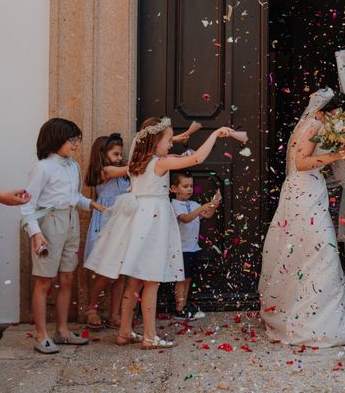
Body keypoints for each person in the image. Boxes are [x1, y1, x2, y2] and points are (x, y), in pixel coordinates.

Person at [84, 117, 237, 349]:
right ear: (155, 142)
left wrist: (172, 137)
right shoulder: (159, 164)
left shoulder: (136, 161)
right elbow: (196, 158)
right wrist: (215, 134)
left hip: (138, 219)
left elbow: (153, 144)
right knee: (151, 280)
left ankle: (124, 332)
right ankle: (149, 335)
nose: (170, 144)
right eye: (167, 140)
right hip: (153, 220)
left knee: (134, 281)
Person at [259, 88, 345, 347]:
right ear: (330, 111)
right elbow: (301, 162)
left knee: (304, 251)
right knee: (319, 251)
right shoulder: (315, 124)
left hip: (306, 190)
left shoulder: (310, 122)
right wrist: (334, 156)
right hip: (304, 191)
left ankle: (309, 313)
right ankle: (315, 322)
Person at [21, 118, 106, 354]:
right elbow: (28, 207)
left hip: (70, 220)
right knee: (43, 280)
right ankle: (41, 335)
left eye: (77, 139)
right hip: (49, 223)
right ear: (56, 138)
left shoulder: (73, 165)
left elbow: (75, 196)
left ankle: (62, 330)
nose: (76, 144)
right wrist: (36, 234)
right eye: (72, 140)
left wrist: (92, 204)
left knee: (67, 278)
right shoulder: (43, 168)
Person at [83, 133, 130, 329]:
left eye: (121, 154)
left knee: (120, 274)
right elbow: (129, 169)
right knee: (106, 273)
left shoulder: (122, 173)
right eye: (116, 154)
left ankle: (115, 314)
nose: (120, 158)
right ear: (102, 154)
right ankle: (92, 308)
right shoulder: (105, 172)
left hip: (123, 223)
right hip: (106, 224)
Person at [170, 171, 220, 320]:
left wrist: (214, 204)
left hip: (192, 248)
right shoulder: (175, 205)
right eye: (185, 186)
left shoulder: (193, 204)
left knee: (188, 279)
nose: (190, 189)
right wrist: (202, 207)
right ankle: (179, 309)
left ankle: (184, 305)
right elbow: (185, 219)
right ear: (174, 188)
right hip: (181, 250)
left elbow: (207, 214)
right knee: (181, 279)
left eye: (191, 186)